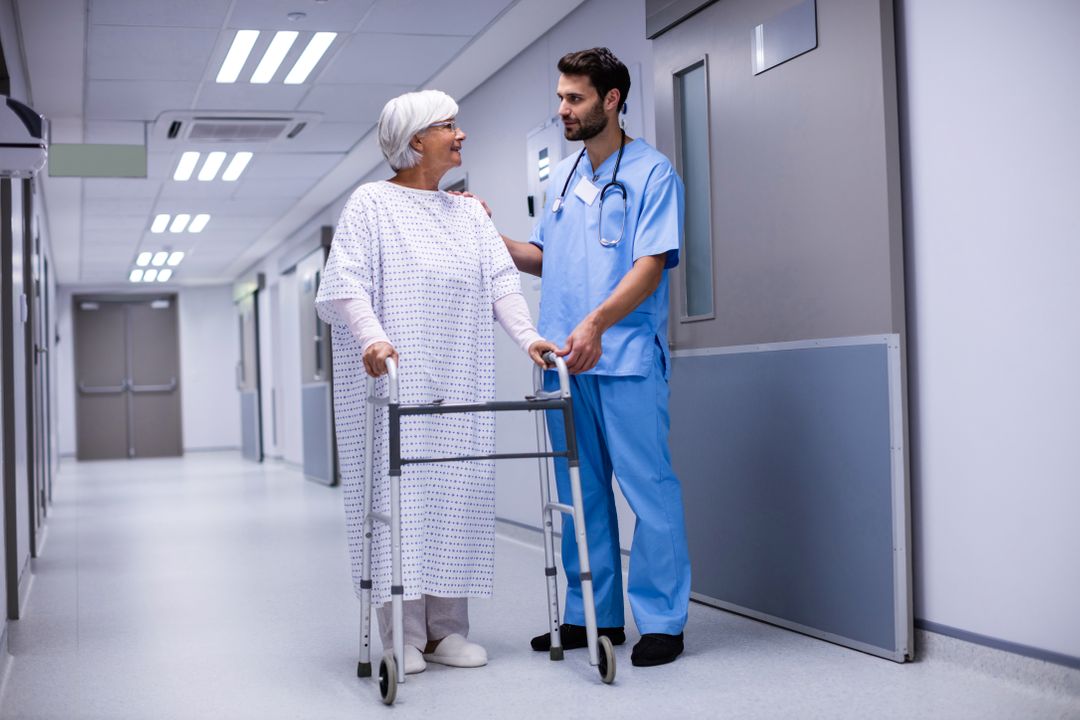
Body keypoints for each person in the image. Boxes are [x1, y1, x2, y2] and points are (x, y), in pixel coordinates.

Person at [315, 89, 556, 676]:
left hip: (460, 379)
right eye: (449, 126)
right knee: (399, 501)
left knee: (458, 498)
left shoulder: (469, 212)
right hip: (395, 378)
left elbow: (503, 285)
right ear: (417, 139)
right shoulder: (370, 203)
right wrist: (372, 338)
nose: (461, 135)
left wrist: (530, 340)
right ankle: (403, 631)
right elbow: (345, 282)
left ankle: (447, 631)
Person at [497, 48, 691, 667]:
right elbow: (546, 258)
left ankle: (662, 620)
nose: (563, 110)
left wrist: (597, 323)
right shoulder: (561, 178)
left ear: (611, 100)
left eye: (574, 98)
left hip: (624, 354)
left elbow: (650, 265)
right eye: (560, 98)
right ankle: (590, 616)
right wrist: (487, 236)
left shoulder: (653, 174)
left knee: (648, 490)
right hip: (563, 359)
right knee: (580, 491)